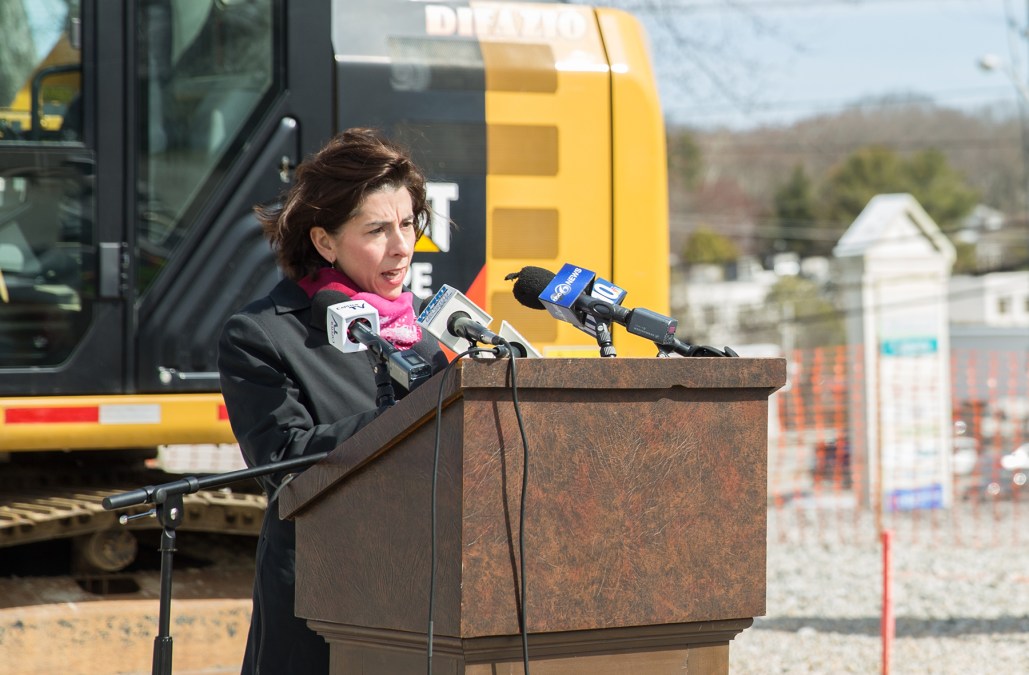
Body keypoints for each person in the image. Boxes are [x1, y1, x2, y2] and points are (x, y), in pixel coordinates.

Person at [217, 128, 449, 674]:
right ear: (324, 242)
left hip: (426, 595)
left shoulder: (432, 338)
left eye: (408, 224)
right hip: (324, 602)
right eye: (377, 230)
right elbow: (285, 461)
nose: (402, 246)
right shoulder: (263, 334)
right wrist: (414, 418)